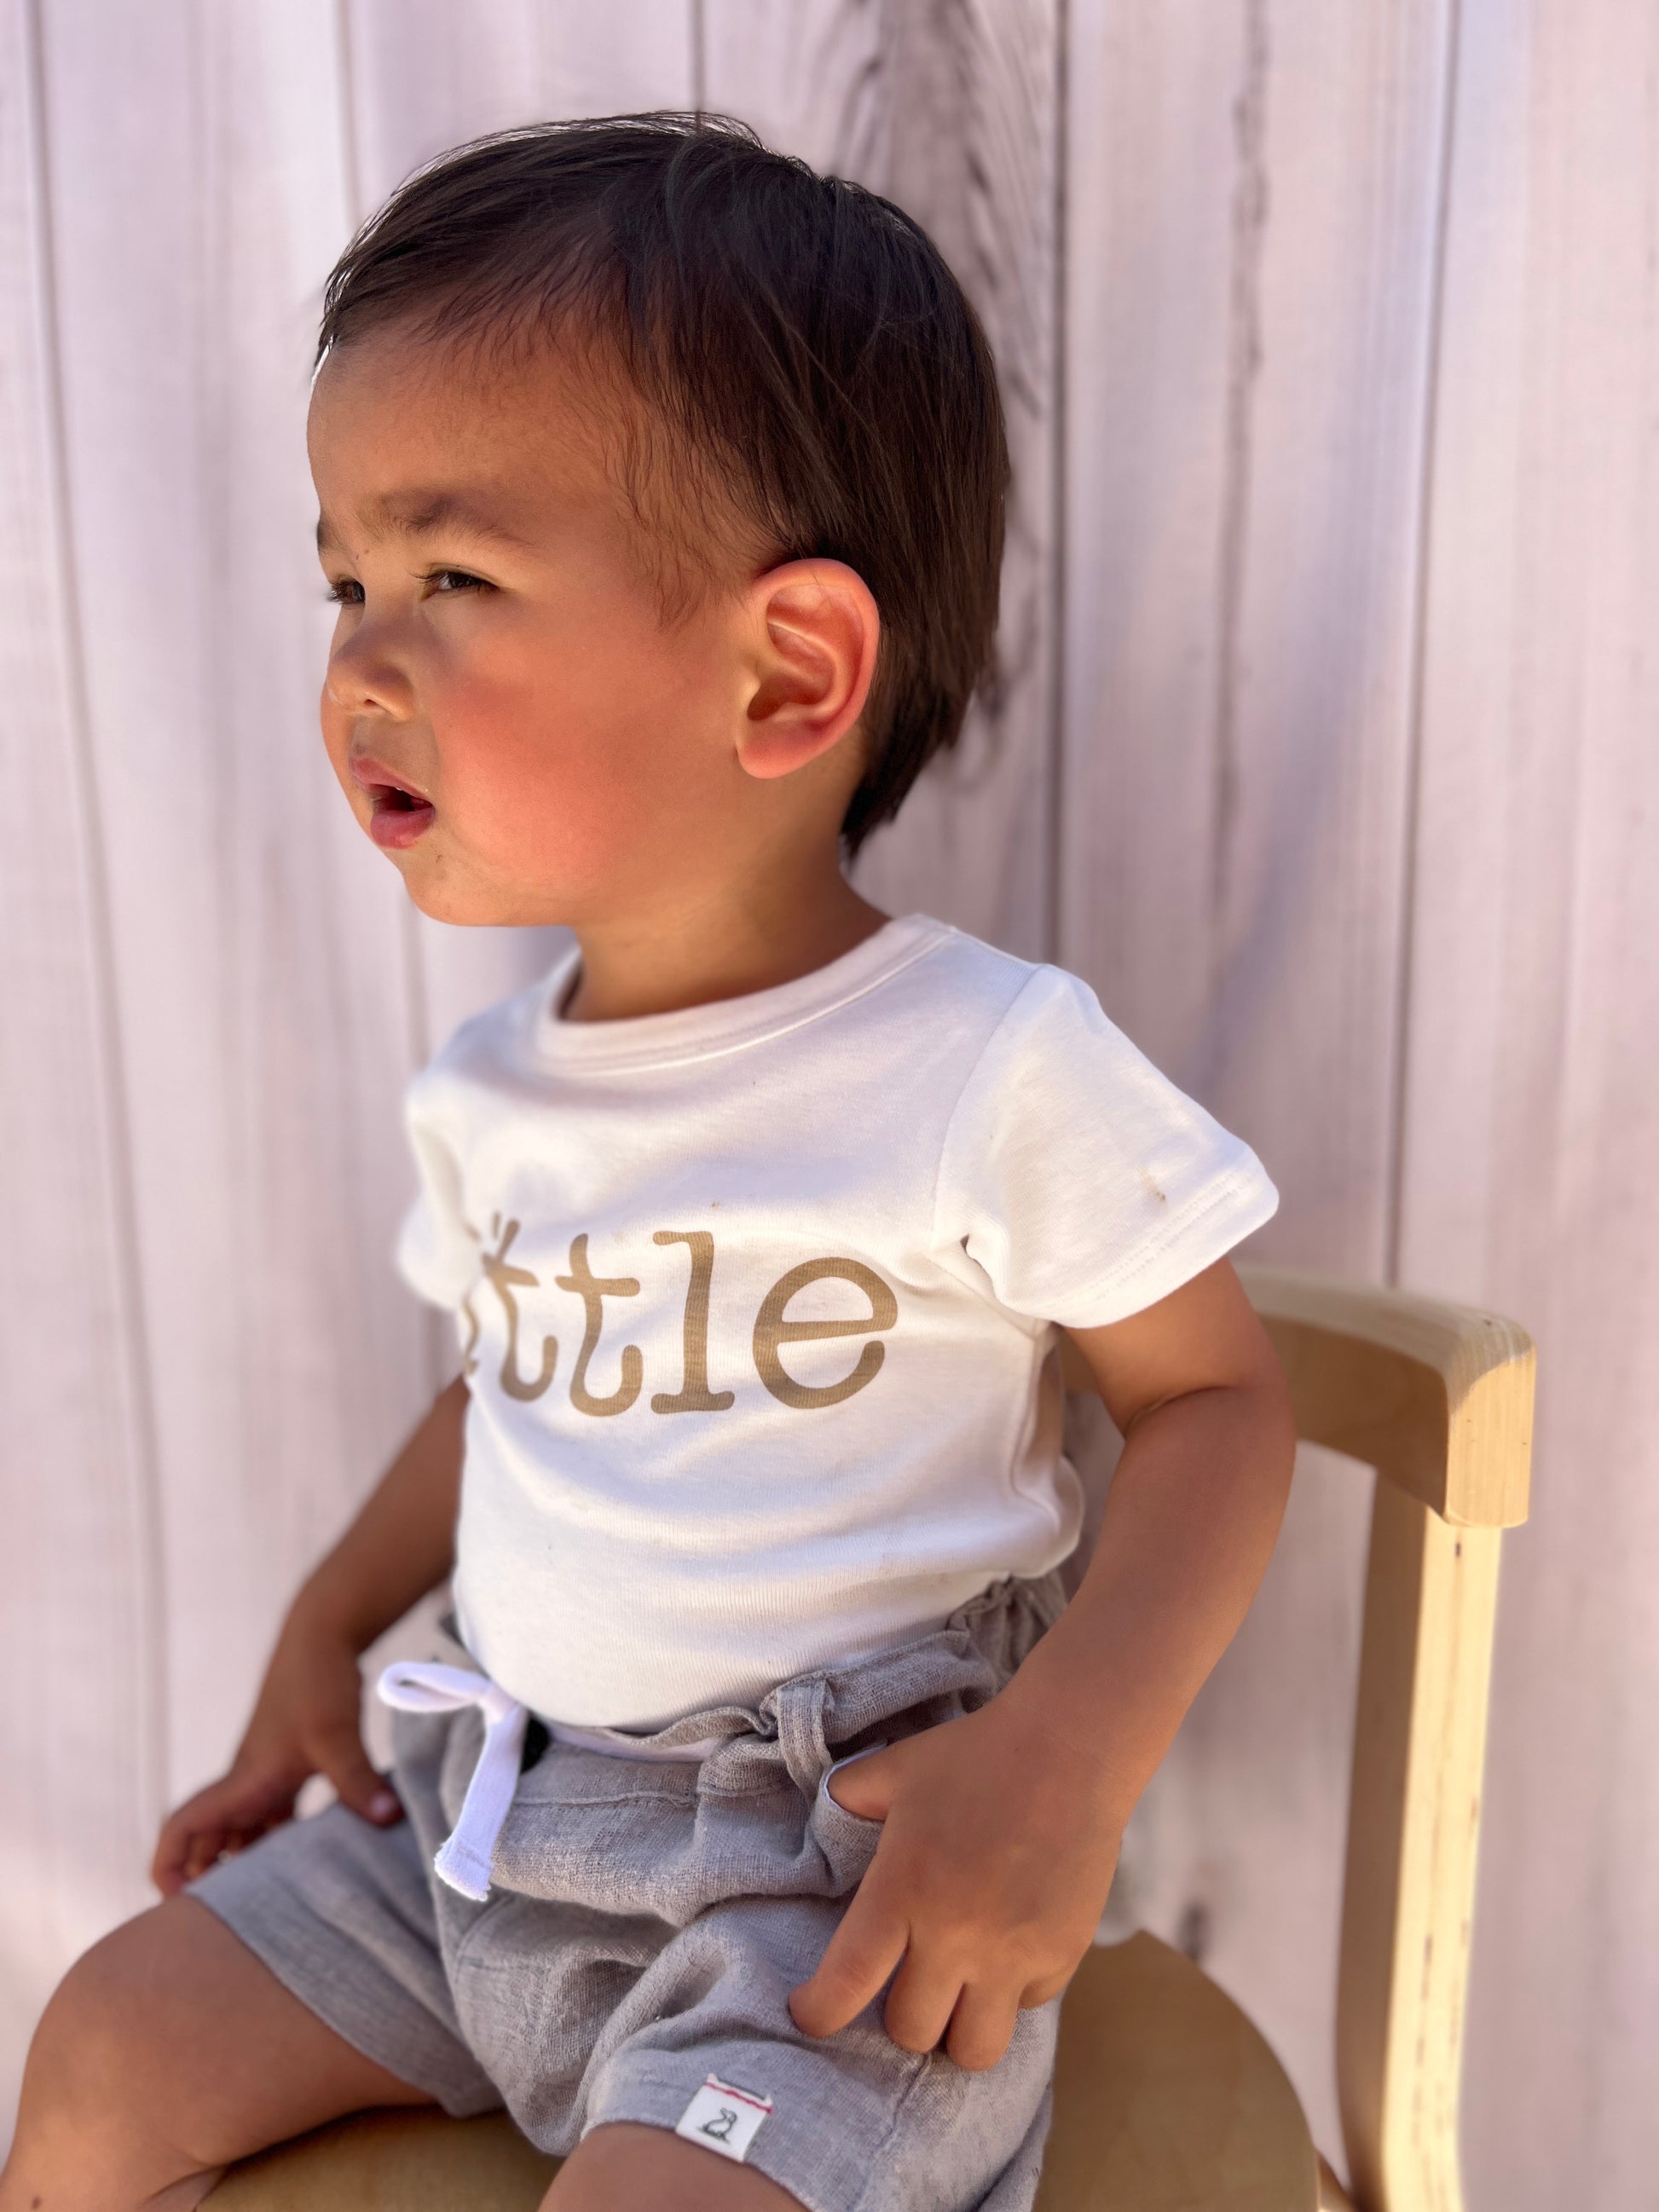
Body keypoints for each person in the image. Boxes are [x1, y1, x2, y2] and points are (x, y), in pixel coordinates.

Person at [1, 114, 1296, 2212]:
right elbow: (509, 1382)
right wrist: (324, 1623)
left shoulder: (977, 1061)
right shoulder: (495, 1087)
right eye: (345, 580)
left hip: (835, 1887)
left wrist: (1068, 1756)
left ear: (786, 671)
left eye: (451, 578)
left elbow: (1217, 1400)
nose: (360, 659)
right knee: (102, 2046)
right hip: (483, 1815)